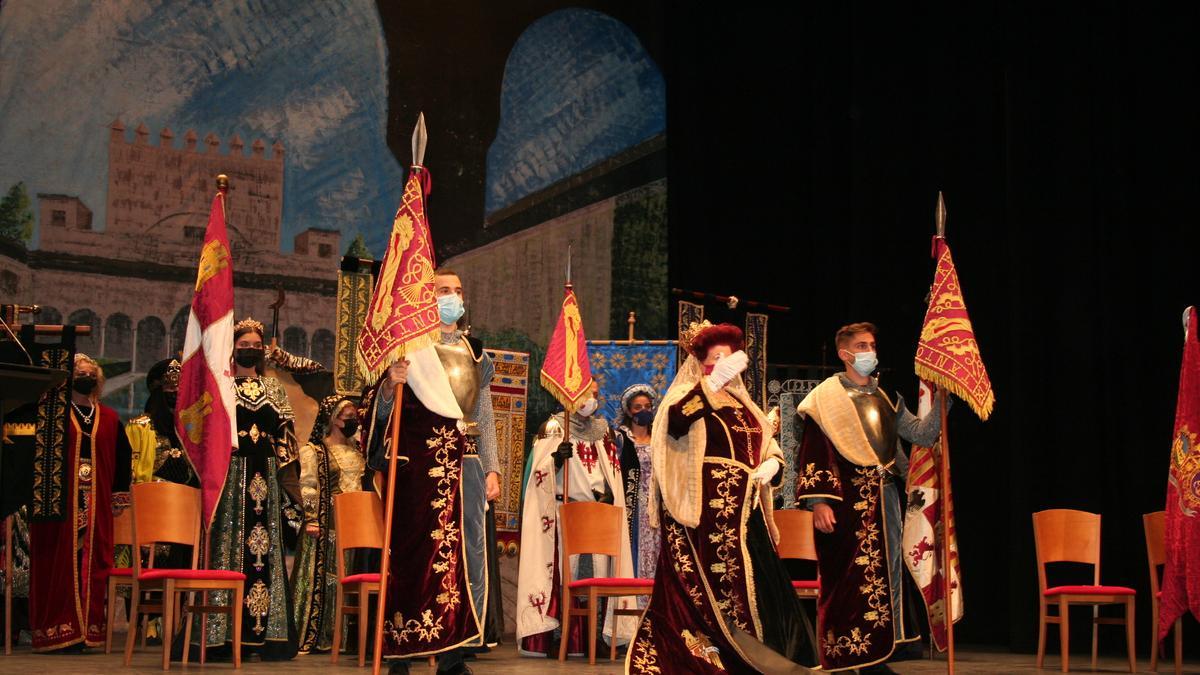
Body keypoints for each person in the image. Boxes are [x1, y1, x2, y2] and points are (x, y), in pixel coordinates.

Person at [627, 322, 810, 674]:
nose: (724, 364)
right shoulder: (687, 397)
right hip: (706, 511)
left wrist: (772, 463)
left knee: (757, 586)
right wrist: (708, 385)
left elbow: (765, 442)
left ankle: (762, 655)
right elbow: (673, 425)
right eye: (716, 358)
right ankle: (721, 654)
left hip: (744, 513)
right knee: (717, 586)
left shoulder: (745, 406)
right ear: (702, 363)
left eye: (729, 357)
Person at [362, 268, 497, 675]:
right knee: (410, 559)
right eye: (442, 291)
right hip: (416, 472)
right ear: (426, 297)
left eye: (457, 290)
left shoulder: (477, 355)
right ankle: (401, 653)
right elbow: (382, 417)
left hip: (466, 470)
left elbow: (484, 416)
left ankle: (454, 655)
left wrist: (492, 469)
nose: (451, 297)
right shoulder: (406, 352)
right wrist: (390, 386)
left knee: (465, 558)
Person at [795, 322, 941, 672]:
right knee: (848, 581)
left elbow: (921, 433)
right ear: (845, 354)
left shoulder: (886, 397)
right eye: (862, 346)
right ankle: (850, 655)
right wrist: (819, 502)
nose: (869, 352)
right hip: (847, 504)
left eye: (872, 344)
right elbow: (815, 451)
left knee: (886, 577)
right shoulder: (825, 399)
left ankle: (875, 655)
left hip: (886, 500)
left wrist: (943, 397)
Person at [193, 317, 301, 660]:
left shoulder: (275, 389)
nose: (251, 350)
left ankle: (264, 636)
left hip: (265, 477)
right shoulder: (220, 387)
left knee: (264, 552)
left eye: (257, 345)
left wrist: (291, 485)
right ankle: (221, 636)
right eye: (245, 345)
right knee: (228, 544)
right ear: (233, 347)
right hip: (230, 476)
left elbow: (286, 437)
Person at [516, 381, 634, 656]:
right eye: (586, 393)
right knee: (563, 576)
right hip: (563, 512)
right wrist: (556, 460)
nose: (592, 399)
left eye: (595, 394)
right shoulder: (555, 427)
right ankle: (559, 636)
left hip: (597, 514)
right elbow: (535, 477)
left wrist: (608, 495)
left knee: (598, 575)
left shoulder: (603, 431)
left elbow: (612, 474)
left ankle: (596, 638)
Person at [29, 353, 131, 652]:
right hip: (60, 502)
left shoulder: (110, 418)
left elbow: (123, 459)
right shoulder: (52, 414)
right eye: (78, 372)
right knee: (60, 561)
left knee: (94, 563)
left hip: (97, 500)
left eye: (89, 372)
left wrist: (119, 496)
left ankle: (89, 630)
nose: (84, 376)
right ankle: (59, 630)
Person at [291, 394, 365, 654]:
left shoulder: (359, 450)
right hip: (328, 521)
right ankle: (322, 635)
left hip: (357, 522)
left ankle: (346, 639)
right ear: (333, 420)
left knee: (350, 576)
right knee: (327, 578)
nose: (353, 421)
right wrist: (311, 519)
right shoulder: (315, 451)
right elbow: (308, 486)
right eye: (348, 418)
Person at [613, 383, 660, 585]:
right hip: (632, 505)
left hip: (656, 505)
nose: (643, 411)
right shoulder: (620, 439)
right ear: (629, 411)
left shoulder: (659, 438)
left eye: (647, 406)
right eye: (638, 407)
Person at [127, 358, 198, 488]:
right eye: (170, 387)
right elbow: (129, 473)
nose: (176, 392)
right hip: (151, 500)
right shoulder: (140, 427)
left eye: (180, 388)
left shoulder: (194, 428)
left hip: (189, 500)